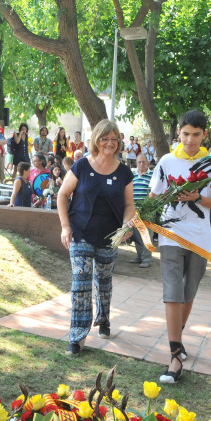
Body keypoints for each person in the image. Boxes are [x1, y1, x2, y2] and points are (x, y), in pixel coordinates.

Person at [148, 110, 211, 383]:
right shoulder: (166, 161)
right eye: (185, 133)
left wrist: (197, 196)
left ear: (204, 134)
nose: (190, 139)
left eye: (196, 134)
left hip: (200, 238)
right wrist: (149, 213)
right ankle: (175, 356)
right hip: (171, 234)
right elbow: (153, 195)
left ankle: (176, 339)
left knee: (188, 292)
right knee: (173, 292)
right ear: (178, 133)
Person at [57, 119, 135, 356]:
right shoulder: (81, 166)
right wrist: (65, 227)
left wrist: (126, 224)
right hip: (80, 233)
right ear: (96, 140)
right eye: (104, 138)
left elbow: (130, 204)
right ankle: (77, 336)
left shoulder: (124, 171)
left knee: (103, 282)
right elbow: (62, 195)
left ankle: (104, 319)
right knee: (80, 284)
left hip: (110, 237)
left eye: (114, 139)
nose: (109, 143)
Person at [128, 154, 154, 268]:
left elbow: (155, 193)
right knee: (137, 235)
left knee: (147, 235)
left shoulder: (152, 176)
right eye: (139, 162)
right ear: (136, 163)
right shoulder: (132, 176)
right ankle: (139, 257)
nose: (141, 164)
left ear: (147, 163)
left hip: (147, 211)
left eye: (143, 162)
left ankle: (146, 259)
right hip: (134, 211)